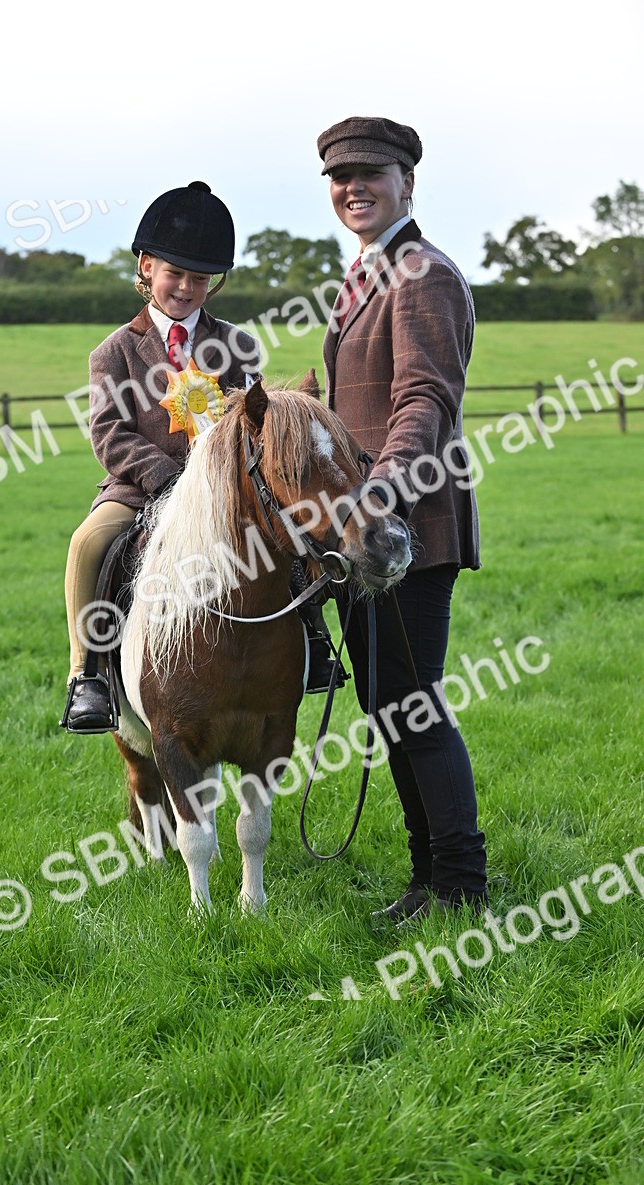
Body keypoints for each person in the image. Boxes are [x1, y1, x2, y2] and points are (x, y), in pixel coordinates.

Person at [61, 180, 341, 733]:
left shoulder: (237, 345)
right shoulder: (114, 352)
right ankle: (87, 675)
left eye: (199, 278)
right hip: (142, 490)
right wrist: (170, 478)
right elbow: (109, 434)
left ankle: (312, 635)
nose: (186, 287)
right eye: (175, 274)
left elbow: (260, 423)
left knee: (290, 530)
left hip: (233, 491)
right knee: (88, 542)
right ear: (146, 267)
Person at [316, 116, 488, 918]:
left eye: (370, 174)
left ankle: (460, 884)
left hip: (406, 526)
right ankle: (427, 879)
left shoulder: (422, 274)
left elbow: (424, 402)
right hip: (363, 535)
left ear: (407, 183)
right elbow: (354, 401)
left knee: (414, 710)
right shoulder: (365, 276)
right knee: (387, 709)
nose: (353, 188)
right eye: (339, 177)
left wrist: (376, 494)